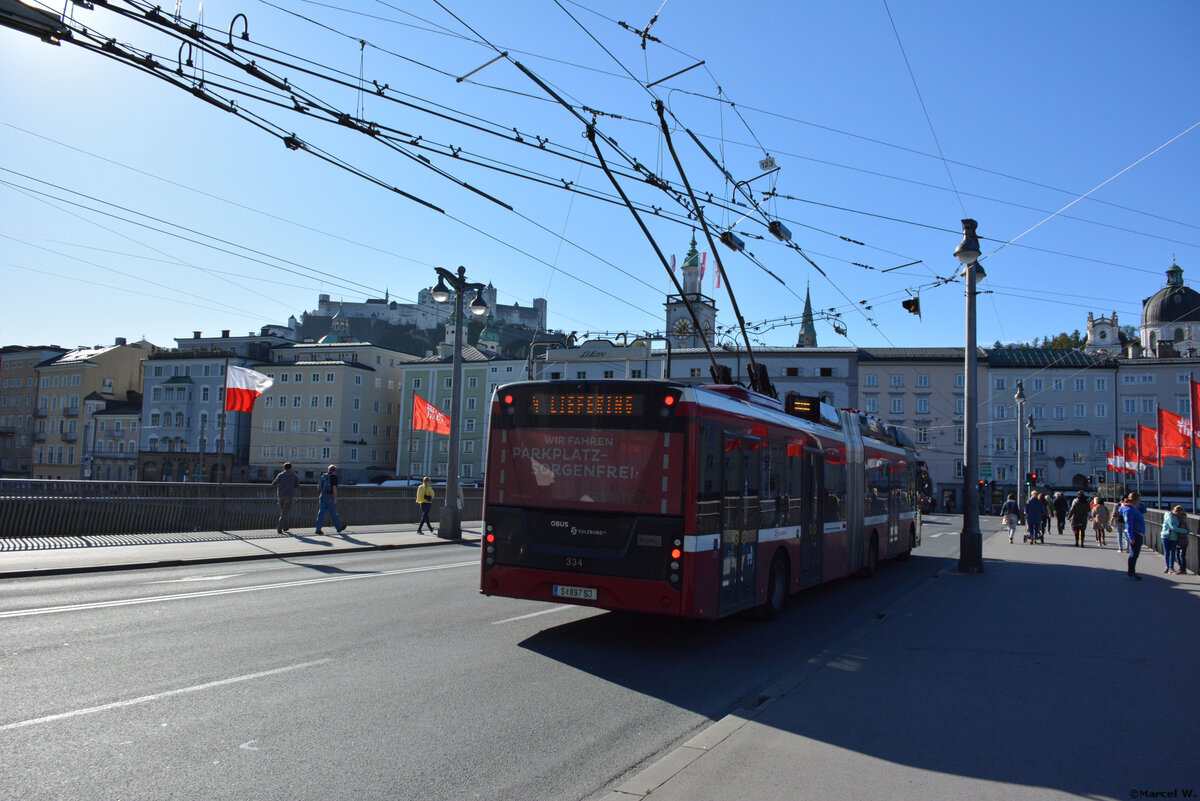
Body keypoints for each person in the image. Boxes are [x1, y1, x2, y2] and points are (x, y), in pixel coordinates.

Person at [1116, 493, 1147, 580]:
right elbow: (1129, 524)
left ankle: (1132, 572)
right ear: (1134, 500)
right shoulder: (1129, 510)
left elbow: (1144, 510)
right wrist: (1131, 537)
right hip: (1135, 533)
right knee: (1133, 554)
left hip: (1138, 533)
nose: (1140, 501)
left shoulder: (1135, 507)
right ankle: (1130, 573)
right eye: (1139, 500)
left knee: (1135, 554)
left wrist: (1140, 503)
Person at [315, 464, 346, 535]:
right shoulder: (334, 477)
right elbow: (334, 488)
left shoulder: (323, 476)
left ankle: (318, 529)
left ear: (328, 470)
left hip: (322, 495)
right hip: (330, 496)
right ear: (335, 471)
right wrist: (335, 498)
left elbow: (318, 487)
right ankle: (338, 527)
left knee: (321, 513)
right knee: (333, 513)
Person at [271, 461, 300, 534]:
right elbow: (297, 485)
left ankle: (285, 527)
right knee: (285, 512)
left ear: (284, 468)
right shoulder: (294, 475)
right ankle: (279, 528)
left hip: (280, 495)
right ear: (291, 468)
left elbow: (274, 483)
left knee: (283, 512)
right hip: (289, 495)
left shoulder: (281, 475)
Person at [1160, 505, 1188, 575]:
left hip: (1174, 537)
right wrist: (1185, 531)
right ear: (1176, 512)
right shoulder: (1169, 516)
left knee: (1172, 553)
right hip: (1166, 535)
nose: (1179, 515)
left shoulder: (1178, 517)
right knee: (1167, 552)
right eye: (1179, 514)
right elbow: (1173, 528)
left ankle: (1170, 568)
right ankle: (1168, 567)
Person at [1175, 508, 1190, 575]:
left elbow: (1187, 530)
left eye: (1184, 518)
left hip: (1183, 542)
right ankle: (1181, 568)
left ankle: (1182, 569)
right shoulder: (1177, 523)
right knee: (1178, 555)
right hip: (1178, 542)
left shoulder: (1184, 524)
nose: (1182, 519)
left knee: (1182, 555)